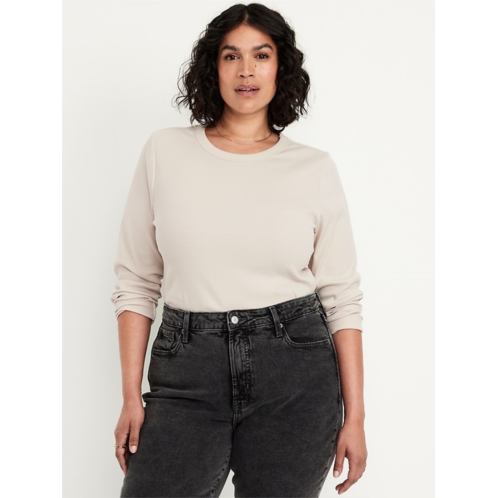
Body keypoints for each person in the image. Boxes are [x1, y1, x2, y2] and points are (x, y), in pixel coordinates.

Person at [111, 3, 367, 497]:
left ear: (280, 68)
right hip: (186, 372)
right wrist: (129, 398)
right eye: (231, 56)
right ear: (214, 67)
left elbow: (342, 298)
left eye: (261, 55)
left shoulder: (314, 168)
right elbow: (137, 282)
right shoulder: (165, 152)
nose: (246, 70)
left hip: (295, 374)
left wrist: (355, 417)